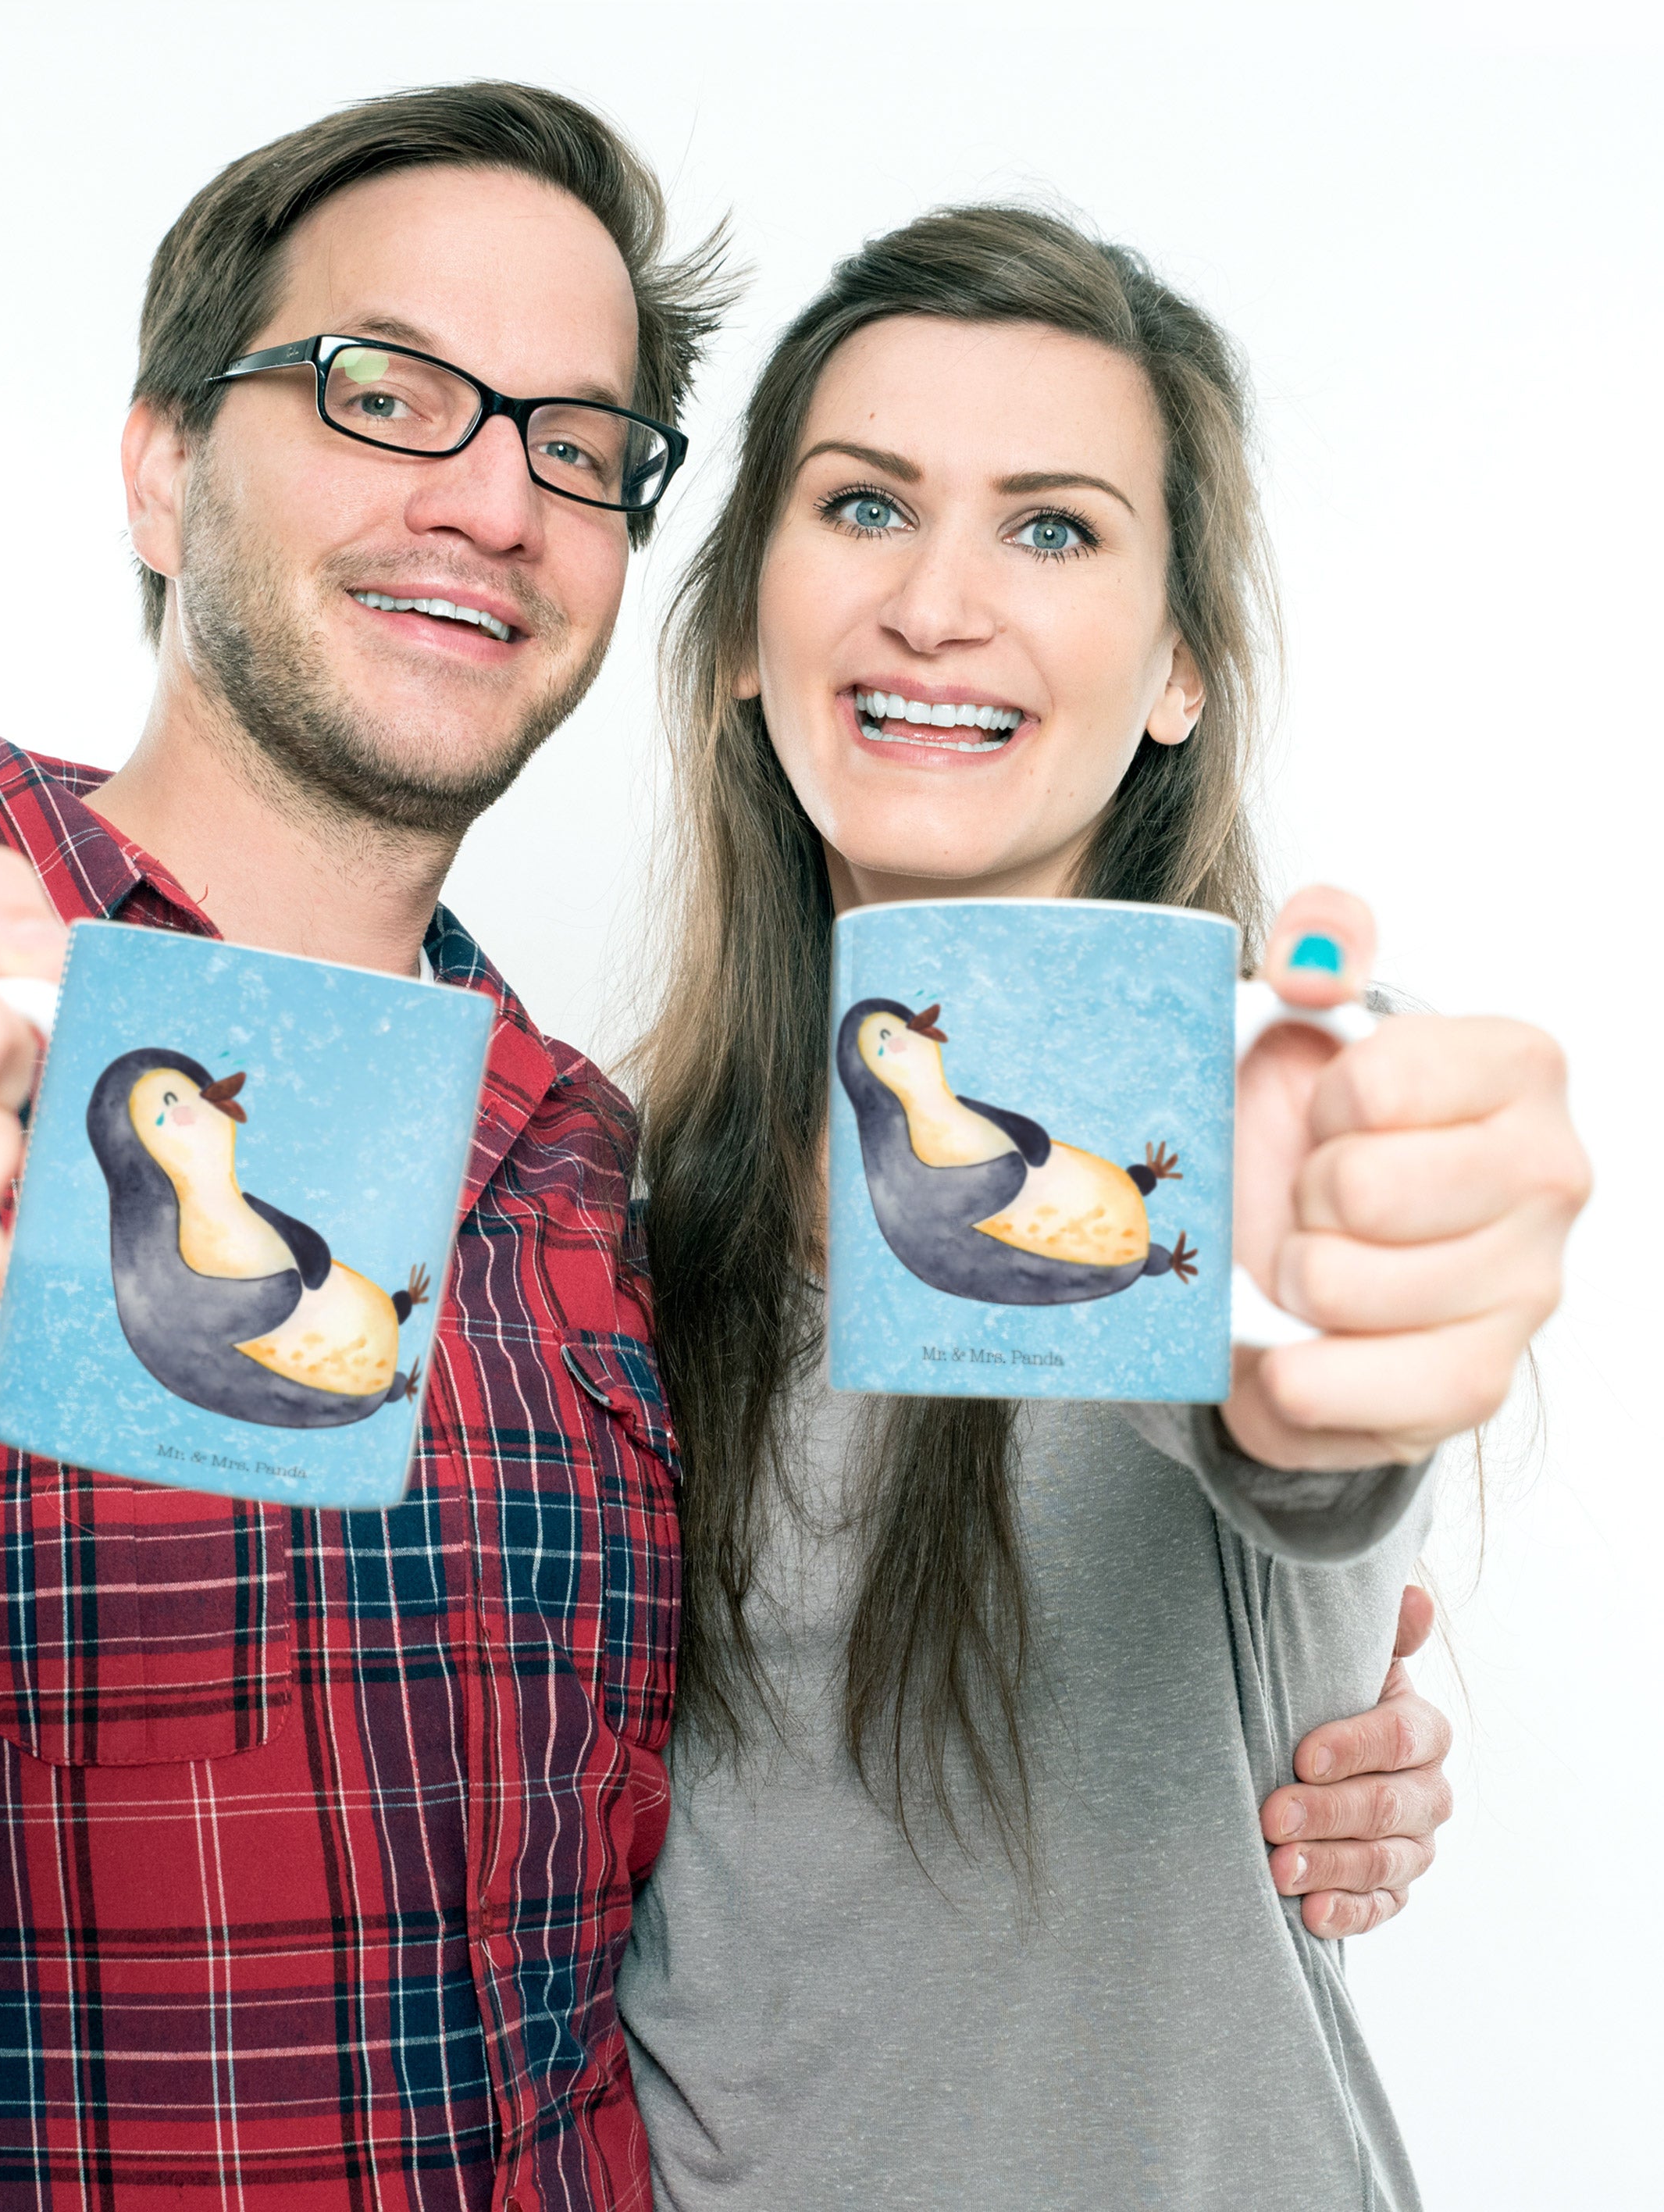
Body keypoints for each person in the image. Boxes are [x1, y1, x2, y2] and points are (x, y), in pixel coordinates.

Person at [0, 86, 1458, 2210]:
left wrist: (1300, 1693)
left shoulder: (593, 1187)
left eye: (573, 444)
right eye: (386, 392)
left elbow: (852, 1779)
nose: (490, 498)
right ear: (163, 464)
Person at [615, 207, 1591, 2209]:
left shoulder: (1263, 1118)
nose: (938, 605)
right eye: (866, 506)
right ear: (737, 634)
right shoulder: (606, 1208)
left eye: (1052, 529)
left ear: (1177, 672)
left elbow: (1304, 1430)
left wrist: (1350, 1333)